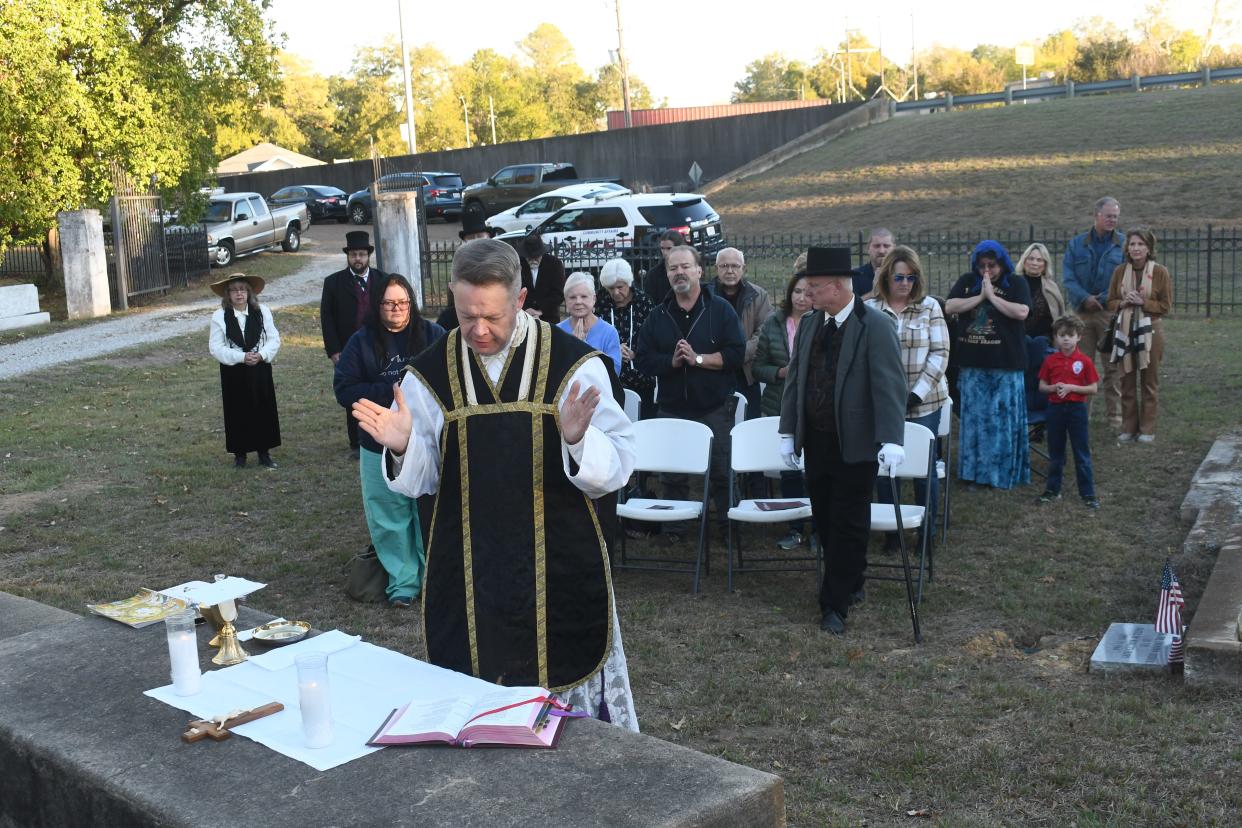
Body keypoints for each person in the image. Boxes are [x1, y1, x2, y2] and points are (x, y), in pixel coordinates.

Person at [351, 239, 639, 731]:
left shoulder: (575, 365)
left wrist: (577, 440)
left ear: (521, 299)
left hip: (558, 563)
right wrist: (403, 447)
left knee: (568, 704)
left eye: (492, 316)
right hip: (468, 565)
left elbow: (618, 465)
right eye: (466, 316)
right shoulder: (429, 374)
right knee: (473, 689)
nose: (478, 330)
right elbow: (423, 481)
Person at [778, 247, 907, 636]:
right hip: (816, 441)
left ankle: (833, 604)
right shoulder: (811, 325)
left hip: (857, 442)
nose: (808, 294)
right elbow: (796, 381)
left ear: (837, 286)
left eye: (814, 287)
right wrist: (788, 432)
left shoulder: (875, 326)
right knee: (826, 519)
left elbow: (889, 386)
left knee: (849, 520)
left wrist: (891, 438)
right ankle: (853, 579)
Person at [334, 274, 445, 608]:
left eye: (402, 302)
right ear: (377, 305)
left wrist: (413, 400)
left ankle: (435, 577)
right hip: (376, 441)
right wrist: (395, 396)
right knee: (388, 513)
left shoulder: (433, 335)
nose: (396, 310)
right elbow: (345, 388)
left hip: (425, 440)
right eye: (388, 303)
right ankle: (403, 582)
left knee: (428, 508)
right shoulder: (361, 341)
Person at [635, 245, 746, 524]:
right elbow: (644, 359)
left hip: (715, 406)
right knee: (672, 474)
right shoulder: (658, 315)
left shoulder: (720, 310)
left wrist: (698, 359)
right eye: (673, 268)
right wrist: (671, 363)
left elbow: (736, 354)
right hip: (673, 407)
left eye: (685, 266)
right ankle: (677, 529)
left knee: (723, 472)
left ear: (699, 271)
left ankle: (728, 525)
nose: (679, 272)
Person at [865, 245, 950, 548]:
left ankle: (926, 533)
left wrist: (916, 394)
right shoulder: (870, 309)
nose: (904, 284)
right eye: (899, 277)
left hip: (924, 402)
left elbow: (940, 354)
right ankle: (893, 534)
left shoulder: (930, 307)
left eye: (911, 278)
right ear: (887, 276)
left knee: (924, 469)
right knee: (887, 467)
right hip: (883, 403)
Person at [945, 240, 1032, 489]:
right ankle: (974, 473)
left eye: (992, 266)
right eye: (981, 265)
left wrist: (992, 296)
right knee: (975, 422)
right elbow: (950, 306)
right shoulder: (966, 282)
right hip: (973, 364)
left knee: (1000, 420)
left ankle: (1000, 474)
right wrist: (980, 296)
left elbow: (1021, 312)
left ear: (1002, 263)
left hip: (1005, 364)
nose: (987, 271)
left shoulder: (1016, 283)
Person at [752, 254, 814, 551]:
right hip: (781, 405)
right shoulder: (774, 324)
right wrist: (780, 372)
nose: (802, 298)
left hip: (816, 407)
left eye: (808, 292)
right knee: (790, 471)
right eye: (797, 292)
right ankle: (794, 527)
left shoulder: (823, 322)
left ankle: (818, 529)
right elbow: (757, 367)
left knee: (815, 471)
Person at [321, 231, 385, 455]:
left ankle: (379, 435)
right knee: (353, 393)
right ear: (348, 256)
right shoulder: (334, 283)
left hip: (378, 346)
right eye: (354, 255)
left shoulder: (382, 280)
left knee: (378, 390)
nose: (358, 259)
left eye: (362, 254)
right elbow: (327, 318)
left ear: (368, 256)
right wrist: (334, 350)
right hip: (348, 348)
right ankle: (356, 442)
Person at [1106, 227, 1172, 444]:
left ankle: (1147, 428)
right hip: (1125, 328)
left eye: (1140, 244)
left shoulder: (1160, 271)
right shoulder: (1119, 271)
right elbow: (1111, 301)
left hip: (1150, 329)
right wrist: (1124, 302)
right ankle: (1128, 427)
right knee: (1126, 378)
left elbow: (1165, 306)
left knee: (1148, 380)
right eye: (1132, 244)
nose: (1136, 248)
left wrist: (1143, 302)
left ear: (1149, 248)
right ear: (1127, 248)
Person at [1062, 197, 1125, 427]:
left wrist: (1103, 298)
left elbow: (1125, 278)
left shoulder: (1123, 245)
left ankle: (1115, 418)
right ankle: (1081, 416)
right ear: (1096, 215)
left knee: (1113, 367)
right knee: (1080, 366)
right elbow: (1068, 277)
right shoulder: (1076, 244)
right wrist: (1084, 298)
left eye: (1116, 217)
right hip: (1081, 314)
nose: (1112, 220)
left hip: (1109, 314)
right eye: (1108, 216)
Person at [208, 273, 281, 468]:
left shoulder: (263, 311)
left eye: (242, 289)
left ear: (249, 292)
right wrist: (241, 357)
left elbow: (274, 338)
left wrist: (262, 355)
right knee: (237, 411)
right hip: (234, 371)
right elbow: (215, 347)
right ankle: (240, 455)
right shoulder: (219, 316)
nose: (239, 294)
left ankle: (264, 453)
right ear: (228, 295)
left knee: (263, 409)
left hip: (260, 368)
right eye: (234, 290)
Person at [1037, 314, 1100, 508]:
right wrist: (1054, 387)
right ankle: (1052, 489)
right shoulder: (1050, 361)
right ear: (1056, 337)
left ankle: (1088, 493)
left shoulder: (1085, 361)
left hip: (1076, 410)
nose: (1066, 339)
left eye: (1070, 335)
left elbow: (1093, 388)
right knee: (1056, 452)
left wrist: (1072, 388)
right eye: (1061, 335)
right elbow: (1042, 386)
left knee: (1081, 451)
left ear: (1078, 337)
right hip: (1055, 409)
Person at [708, 247, 773, 419]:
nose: (730, 271)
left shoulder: (759, 295)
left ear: (743, 269)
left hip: (746, 375)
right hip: (712, 374)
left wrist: (737, 354)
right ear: (716, 268)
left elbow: (764, 332)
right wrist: (718, 358)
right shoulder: (704, 295)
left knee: (748, 425)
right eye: (724, 266)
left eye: (735, 266)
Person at [595, 258, 656, 419]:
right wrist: (612, 350)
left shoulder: (644, 302)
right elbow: (594, 333)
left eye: (620, 287)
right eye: (610, 288)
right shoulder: (600, 303)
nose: (615, 293)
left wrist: (636, 352)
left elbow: (654, 337)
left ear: (629, 283)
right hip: (609, 379)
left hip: (641, 376)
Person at [436, 214, 499, 330]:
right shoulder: (459, 267)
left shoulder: (499, 264)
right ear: (465, 241)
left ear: (488, 237)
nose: (476, 241)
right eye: (471, 237)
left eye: (480, 236)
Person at [559, 271, 622, 375]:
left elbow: (614, 373)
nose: (578, 301)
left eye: (584, 296)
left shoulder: (609, 332)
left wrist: (583, 348)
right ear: (566, 301)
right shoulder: (558, 331)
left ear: (593, 299)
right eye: (572, 297)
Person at [1014, 242, 1066, 341]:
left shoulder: (1052, 287)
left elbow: (1060, 318)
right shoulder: (1013, 283)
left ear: (1045, 264)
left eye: (1039, 260)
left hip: (1045, 342)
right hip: (1017, 340)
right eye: (1031, 259)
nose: (1035, 263)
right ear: (1024, 261)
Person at [519, 234, 566, 323]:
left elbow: (559, 293)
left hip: (549, 317)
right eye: (529, 257)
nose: (533, 260)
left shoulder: (554, 264)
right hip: (524, 317)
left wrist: (540, 310)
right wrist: (526, 309)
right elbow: (514, 291)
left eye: (536, 257)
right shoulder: (519, 264)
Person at [642, 230, 688, 305]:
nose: (665, 253)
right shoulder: (654, 274)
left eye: (669, 248)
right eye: (662, 248)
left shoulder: (689, 270)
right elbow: (650, 301)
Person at [852, 228, 895, 298]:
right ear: (868, 248)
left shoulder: (903, 276)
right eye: (877, 246)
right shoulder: (855, 276)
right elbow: (850, 307)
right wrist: (873, 294)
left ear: (894, 249)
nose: (881, 251)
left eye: (886, 246)